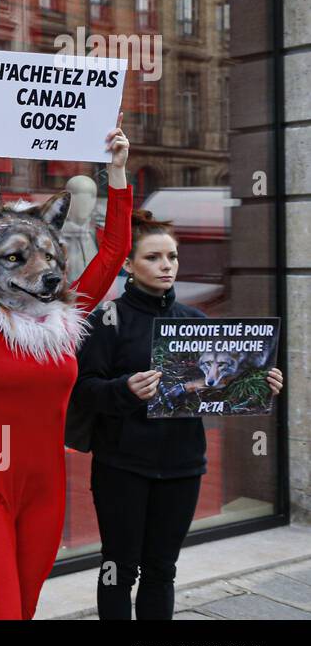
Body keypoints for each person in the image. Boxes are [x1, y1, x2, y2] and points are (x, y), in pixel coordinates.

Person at [0, 108, 131, 619]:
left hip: (48, 491)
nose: (41, 272)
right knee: (1, 614)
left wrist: (118, 170)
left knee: (23, 611)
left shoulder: (66, 322)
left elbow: (115, 249)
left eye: (45, 258)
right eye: (18, 259)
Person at [70, 210, 284, 619]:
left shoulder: (196, 322)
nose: (166, 265)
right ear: (128, 265)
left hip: (183, 466)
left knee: (161, 570)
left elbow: (221, 390)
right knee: (118, 567)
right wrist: (124, 389)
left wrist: (260, 383)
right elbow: (82, 391)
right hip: (122, 466)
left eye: (172, 256)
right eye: (153, 257)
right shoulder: (106, 322)